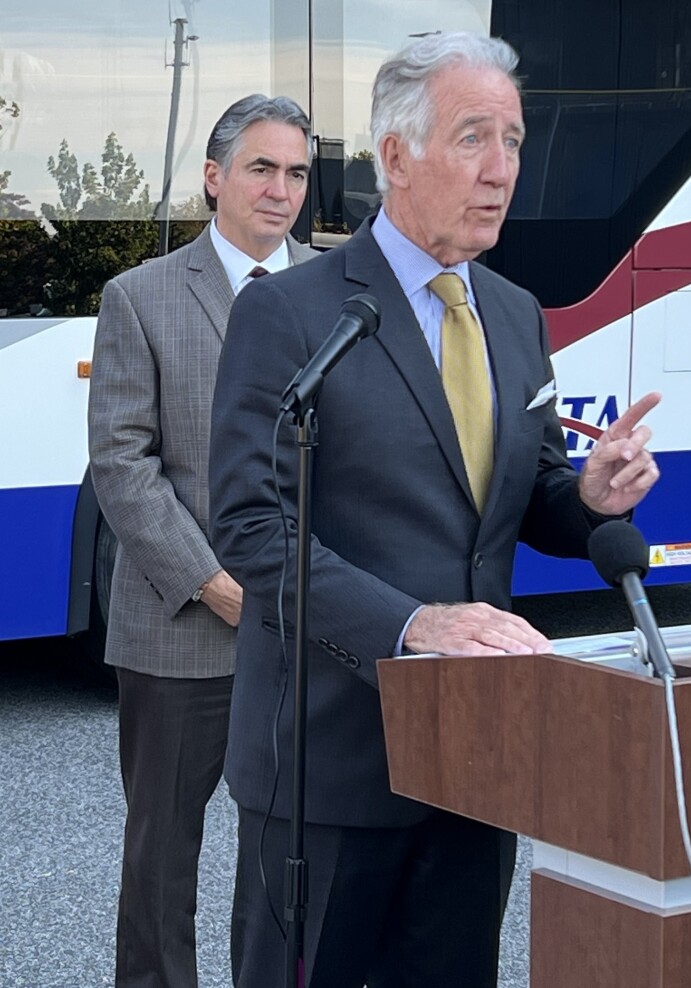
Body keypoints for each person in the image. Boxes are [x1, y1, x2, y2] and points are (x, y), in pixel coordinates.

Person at [208, 33, 660, 988]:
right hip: (329, 763)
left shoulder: (515, 313)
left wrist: (586, 497)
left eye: (515, 140)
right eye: (472, 139)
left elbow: (523, 499)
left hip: (478, 763)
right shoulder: (289, 313)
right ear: (396, 156)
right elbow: (251, 527)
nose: (502, 170)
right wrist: (411, 625)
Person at [87, 93, 317, 988]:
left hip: (308, 630)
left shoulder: (344, 295)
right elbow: (121, 463)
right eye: (261, 167)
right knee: (160, 860)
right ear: (215, 178)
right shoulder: (139, 297)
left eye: (297, 172)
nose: (281, 189)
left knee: (288, 856)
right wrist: (216, 583)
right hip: (182, 630)